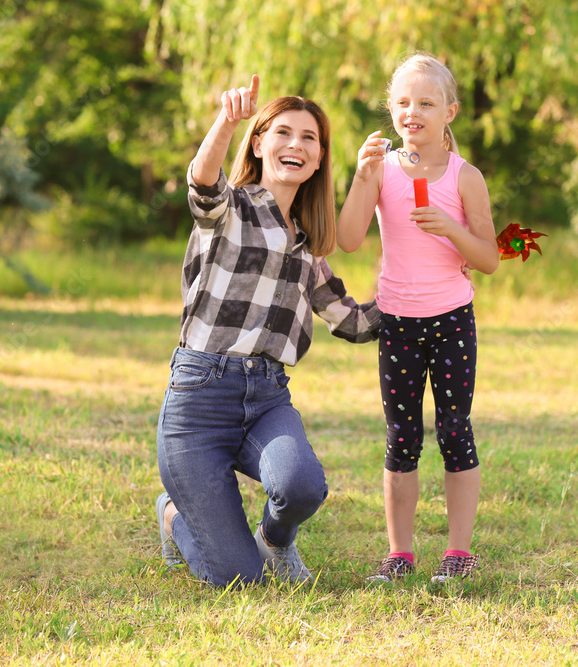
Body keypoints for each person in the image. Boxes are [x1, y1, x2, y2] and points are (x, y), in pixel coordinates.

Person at [155, 75, 380, 588]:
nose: (295, 145)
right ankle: (173, 514)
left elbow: (352, 320)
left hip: (266, 399)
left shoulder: (309, 245)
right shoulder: (230, 208)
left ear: (320, 158)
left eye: (309, 138)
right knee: (237, 580)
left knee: (301, 486)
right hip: (198, 402)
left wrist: (425, 290)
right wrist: (226, 121)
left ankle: (276, 544)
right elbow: (202, 182)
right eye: (283, 132)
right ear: (259, 143)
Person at [337, 53, 499, 583]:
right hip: (399, 322)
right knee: (401, 435)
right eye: (403, 102)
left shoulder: (465, 176)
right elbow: (348, 239)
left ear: (449, 112)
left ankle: (458, 553)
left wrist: (451, 230)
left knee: (455, 431)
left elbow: (489, 259)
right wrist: (362, 178)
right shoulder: (381, 172)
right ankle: (399, 553)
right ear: (390, 109)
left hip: (451, 319)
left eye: (427, 103)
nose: (414, 112)